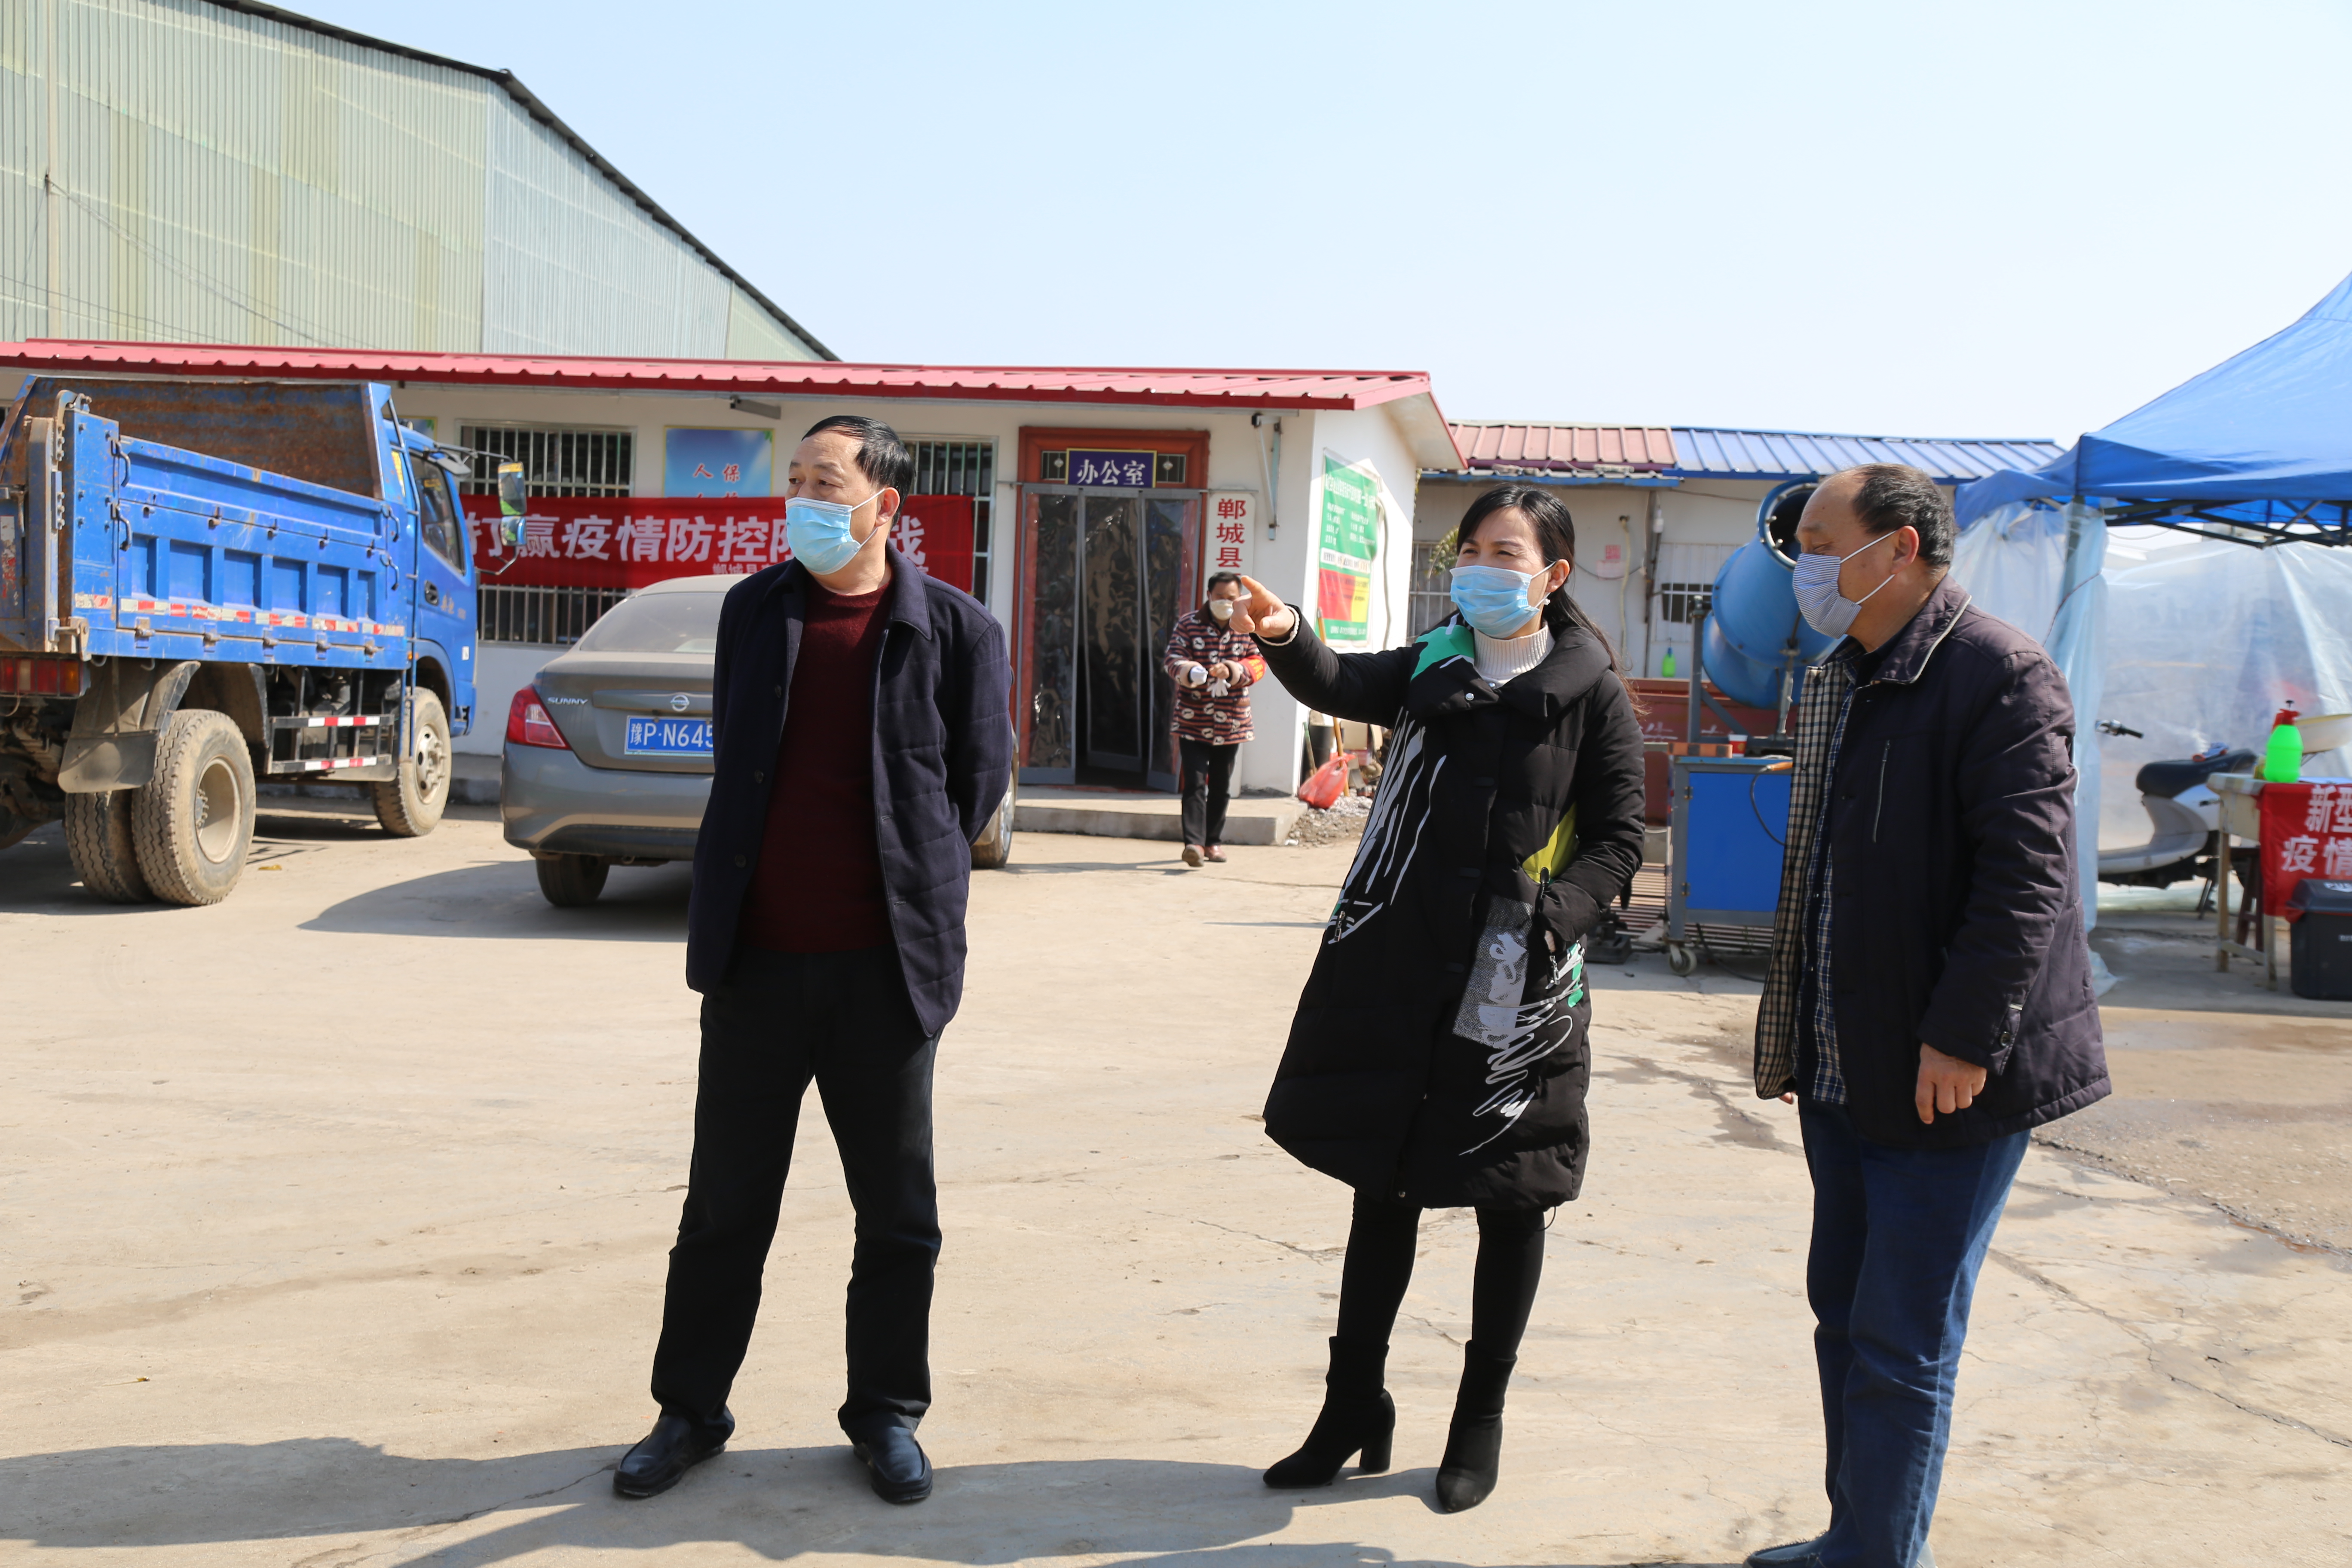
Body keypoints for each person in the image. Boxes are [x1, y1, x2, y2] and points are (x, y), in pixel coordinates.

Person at [612, 415, 1014, 1507]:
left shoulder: (958, 631)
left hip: (886, 973)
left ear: (886, 505)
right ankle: (688, 1411)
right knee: (723, 1208)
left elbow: (974, 787)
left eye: (824, 482)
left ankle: (885, 1413)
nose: (802, 499)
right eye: (794, 479)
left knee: (897, 1214)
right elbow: (738, 758)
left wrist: (906, 879)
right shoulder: (755, 611)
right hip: (756, 966)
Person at [1224, 483, 1646, 1513]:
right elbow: (1337, 679)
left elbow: (1618, 840)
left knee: (1513, 1196)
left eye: (1505, 553)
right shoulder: (1432, 666)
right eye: (1470, 550)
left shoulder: (1590, 692)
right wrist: (1283, 631)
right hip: (1402, 964)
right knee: (1386, 1182)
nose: (1480, 569)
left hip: (1519, 978)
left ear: (1551, 575)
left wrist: (1551, 918)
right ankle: (1351, 1407)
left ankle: (1476, 1423)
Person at [1743, 465, 2110, 1568]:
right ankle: (1854, 1536)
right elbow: (1824, 873)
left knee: (1901, 1337)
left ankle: (1876, 1558)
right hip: (1844, 1062)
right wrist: (1798, 1039)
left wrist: (1961, 1036)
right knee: (1844, 1318)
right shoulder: (1844, 676)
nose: (1803, 567)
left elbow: (2026, 880)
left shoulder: (1999, 675)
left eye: (1821, 542)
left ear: (1898, 547)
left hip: (1944, 1071)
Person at [1161, 572, 1268, 866]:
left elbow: (1259, 663)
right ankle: (1193, 844)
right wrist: (1191, 671)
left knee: (1221, 784)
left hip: (1232, 722)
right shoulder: (1188, 624)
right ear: (1209, 596)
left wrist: (1234, 670)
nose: (1225, 602)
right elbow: (1172, 659)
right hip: (1192, 719)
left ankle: (1213, 842)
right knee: (1195, 783)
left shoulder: (1247, 626)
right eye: (1220, 597)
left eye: (1231, 598)